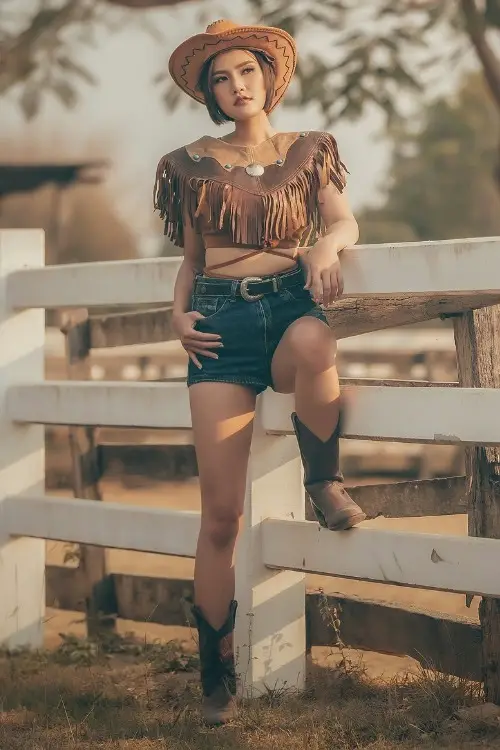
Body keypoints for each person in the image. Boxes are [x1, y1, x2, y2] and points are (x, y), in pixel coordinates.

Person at [154, 19, 366, 725]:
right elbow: (190, 259)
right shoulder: (188, 163)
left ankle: (324, 480)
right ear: (210, 92)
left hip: (288, 307)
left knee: (314, 340)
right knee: (221, 517)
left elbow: (344, 222)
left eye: (246, 71)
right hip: (218, 327)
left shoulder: (309, 152)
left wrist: (325, 249)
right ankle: (216, 677)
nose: (236, 85)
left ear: (268, 77)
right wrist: (178, 318)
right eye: (221, 77)